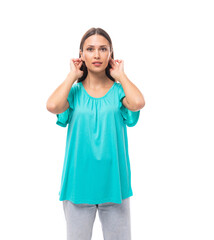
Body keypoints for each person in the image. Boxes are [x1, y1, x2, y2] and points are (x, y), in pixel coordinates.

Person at [46, 27, 145, 240]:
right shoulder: (73, 93)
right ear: (81, 55)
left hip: (114, 184)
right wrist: (72, 75)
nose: (97, 55)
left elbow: (138, 102)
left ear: (111, 54)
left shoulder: (120, 91)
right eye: (90, 49)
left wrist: (121, 75)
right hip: (78, 184)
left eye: (103, 49)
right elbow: (53, 105)